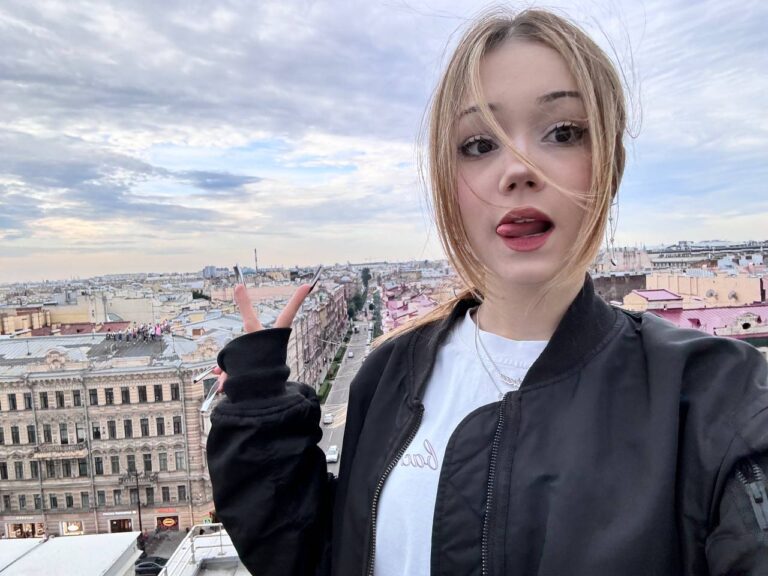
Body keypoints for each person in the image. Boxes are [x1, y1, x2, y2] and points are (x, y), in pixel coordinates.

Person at [206, 7, 768, 576]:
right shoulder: (388, 375)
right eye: (479, 144)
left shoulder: (711, 396)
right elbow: (325, 555)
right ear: (447, 181)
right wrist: (260, 413)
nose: (518, 169)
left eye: (563, 132)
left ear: (609, 167)